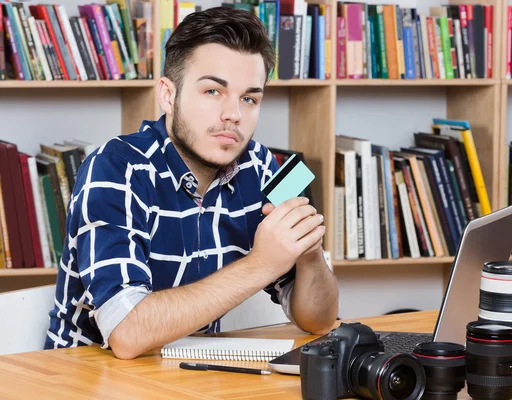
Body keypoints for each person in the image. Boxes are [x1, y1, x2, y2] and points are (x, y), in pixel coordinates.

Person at [44, 6, 339, 359]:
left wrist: (308, 253)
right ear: (168, 95)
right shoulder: (116, 167)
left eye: (249, 98)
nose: (234, 114)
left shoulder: (260, 165)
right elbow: (127, 333)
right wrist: (263, 263)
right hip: (82, 381)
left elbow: (320, 321)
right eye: (213, 91)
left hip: (190, 375)